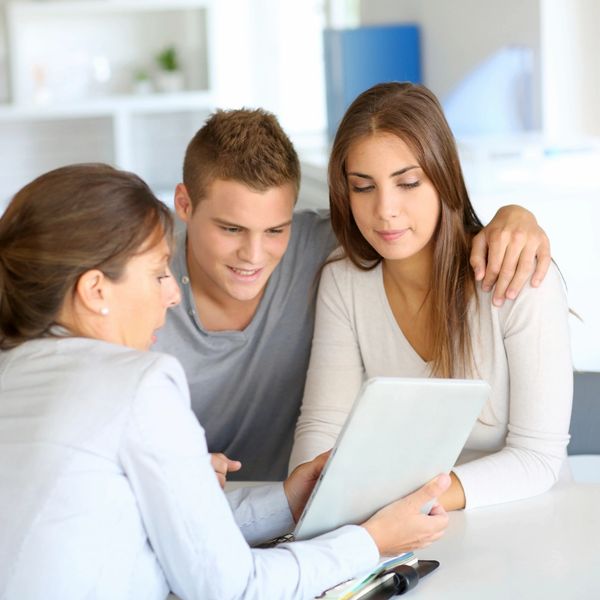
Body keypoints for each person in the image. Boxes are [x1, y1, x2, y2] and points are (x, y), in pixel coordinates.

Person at [0, 163, 451, 600]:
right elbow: (231, 586)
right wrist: (372, 541)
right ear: (95, 289)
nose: (173, 294)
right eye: (158, 273)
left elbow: (173, 538)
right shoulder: (137, 383)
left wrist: (287, 503)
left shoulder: (14, 370)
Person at [155, 108, 553, 481]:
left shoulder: (328, 247)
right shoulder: (136, 281)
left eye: (276, 230)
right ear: (184, 205)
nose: (254, 255)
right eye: (231, 229)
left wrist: (515, 216)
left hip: (283, 506)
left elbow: (413, 225)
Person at [289, 82, 573, 510]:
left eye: (407, 183)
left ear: (444, 178)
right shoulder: (344, 281)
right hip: (395, 526)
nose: (385, 209)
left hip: (521, 520)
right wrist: (308, 505)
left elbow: (538, 458)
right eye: (363, 187)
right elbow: (323, 425)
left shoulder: (518, 278)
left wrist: (415, 503)